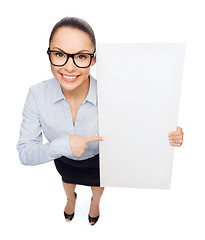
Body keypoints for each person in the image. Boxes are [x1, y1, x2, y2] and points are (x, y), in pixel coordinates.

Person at [16, 17, 184, 226]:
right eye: (59, 54)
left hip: (99, 161)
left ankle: (95, 203)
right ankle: (71, 200)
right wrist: (63, 145)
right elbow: (25, 153)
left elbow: (137, 127)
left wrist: (166, 132)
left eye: (81, 56)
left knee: (97, 186)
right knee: (67, 181)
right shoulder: (36, 95)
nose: (69, 67)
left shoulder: (112, 93)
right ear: (49, 54)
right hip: (62, 158)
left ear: (93, 60)